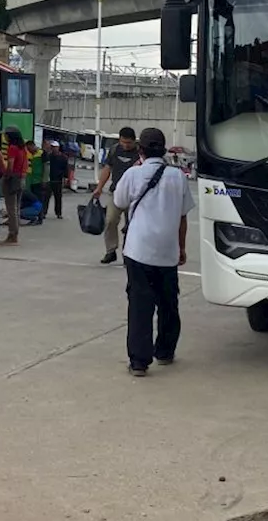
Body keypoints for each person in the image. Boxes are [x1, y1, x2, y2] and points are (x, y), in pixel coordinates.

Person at [113, 127, 194, 377]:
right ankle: (165, 352)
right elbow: (182, 217)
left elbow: (119, 202)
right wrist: (181, 247)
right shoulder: (178, 177)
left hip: (138, 250)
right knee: (168, 302)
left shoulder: (133, 174)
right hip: (166, 251)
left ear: (141, 150)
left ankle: (139, 362)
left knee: (140, 304)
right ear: (164, 148)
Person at [92, 127, 140, 265]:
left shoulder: (140, 152)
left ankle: (128, 253)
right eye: (123, 142)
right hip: (116, 192)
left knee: (132, 226)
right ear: (119, 140)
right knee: (110, 220)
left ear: (134, 141)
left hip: (135, 195)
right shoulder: (114, 150)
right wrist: (99, 188)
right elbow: (107, 169)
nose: (126, 145)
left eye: (129, 143)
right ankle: (111, 251)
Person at [1, 129, 28, 246]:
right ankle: (14, 234)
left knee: (11, 208)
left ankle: (12, 235)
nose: (5, 138)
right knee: (16, 208)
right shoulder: (23, 149)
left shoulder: (12, 148)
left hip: (13, 178)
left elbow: (10, 164)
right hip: (22, 178)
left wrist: (6, 176)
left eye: (6, 135)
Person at [39, 140, 69, 221]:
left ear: (58, 148)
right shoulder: (49, 156)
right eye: (52, 147)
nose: (53, 149)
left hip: (58, 180)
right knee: (46, 197)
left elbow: (66, 169)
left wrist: (66, 178)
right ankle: (44, 212)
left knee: (58, 198)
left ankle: (58, 213)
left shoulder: (63, 157)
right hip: (49, 179)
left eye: (55, 147)